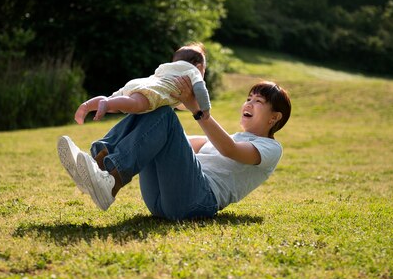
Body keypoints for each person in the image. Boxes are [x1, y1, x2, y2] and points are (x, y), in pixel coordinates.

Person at [58, 78, 291, 220]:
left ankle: (112, 179)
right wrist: (155, 100)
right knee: (156, 113)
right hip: (163, 201)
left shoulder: (269, 148)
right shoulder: (232, 137)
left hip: (197, 201)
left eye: (258, 101)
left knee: (165, 117)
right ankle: (99, 164)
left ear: (274, 118)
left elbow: (229, 150)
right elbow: (162, 138)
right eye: (248, 98)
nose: (248, 103)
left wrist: (197, 110)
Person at [74, 43, 211, 124]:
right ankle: (107, 103)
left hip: (139, 83)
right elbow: (200, 89)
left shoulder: (167, 67)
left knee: (117, 102)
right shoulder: (193, 72)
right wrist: (205, 109)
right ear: (199, 67)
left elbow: (181, 104)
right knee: (134, 105)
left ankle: (88, 106)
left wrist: (192, 106)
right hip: (151, 92)